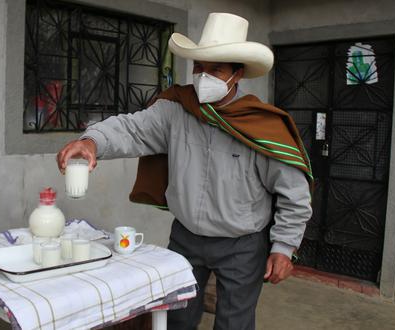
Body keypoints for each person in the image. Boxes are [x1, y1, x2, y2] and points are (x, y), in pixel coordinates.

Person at [56, 12, 312, 330]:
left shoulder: (263, 126)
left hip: (243, 245)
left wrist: (284, 247)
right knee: (176, 317)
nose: (203, 76)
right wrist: (93, 142)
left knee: (235, 323)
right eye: (199, 67)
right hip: (186, 238)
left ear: (237, 73)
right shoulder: (177, 110)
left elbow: (294, 192)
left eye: (215, 69)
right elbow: (132, 129)